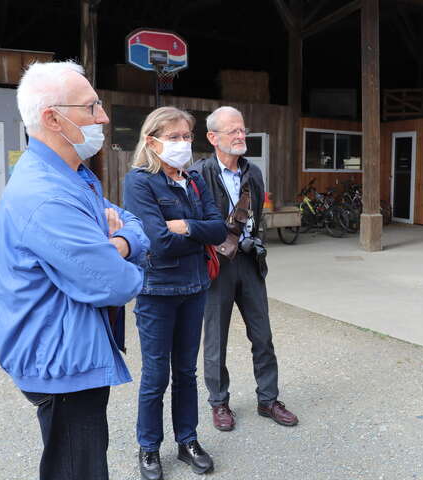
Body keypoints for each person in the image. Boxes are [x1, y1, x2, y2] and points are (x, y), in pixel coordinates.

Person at [0, 61, 149, 480]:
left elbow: (132, 223)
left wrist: (118, 242)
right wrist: (123, 251)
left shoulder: (70, 176)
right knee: (78, 469)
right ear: (52, 118)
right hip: (62, 363)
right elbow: (118, 283)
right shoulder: (48, 196)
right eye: (91, 106)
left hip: (69, 347)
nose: (104, 117)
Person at [123, 107, 226, 479]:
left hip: (195, 287)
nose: (183, 143)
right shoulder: (139, 182)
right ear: (152, 141)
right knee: (155, 374)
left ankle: (188, 440)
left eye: (187, 137)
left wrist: (186, 226)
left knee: (185, 371)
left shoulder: (194, 179)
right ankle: (148, 447)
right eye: (175, 137)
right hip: (158, 291)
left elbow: (219, 229)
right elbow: (158, 243)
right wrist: (193, 233)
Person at [192, 106, 298, 431]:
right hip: (217, 267)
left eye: (242, 130)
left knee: (262, 335)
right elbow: (196, 223)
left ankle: (268, 399)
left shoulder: (253, 172)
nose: (241, 136)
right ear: (213, 138)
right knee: (216, 340)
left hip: (250, 262)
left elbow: (257, 219)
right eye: (232, 131)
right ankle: (219, 403)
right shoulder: (199, 174)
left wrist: (250, 243)